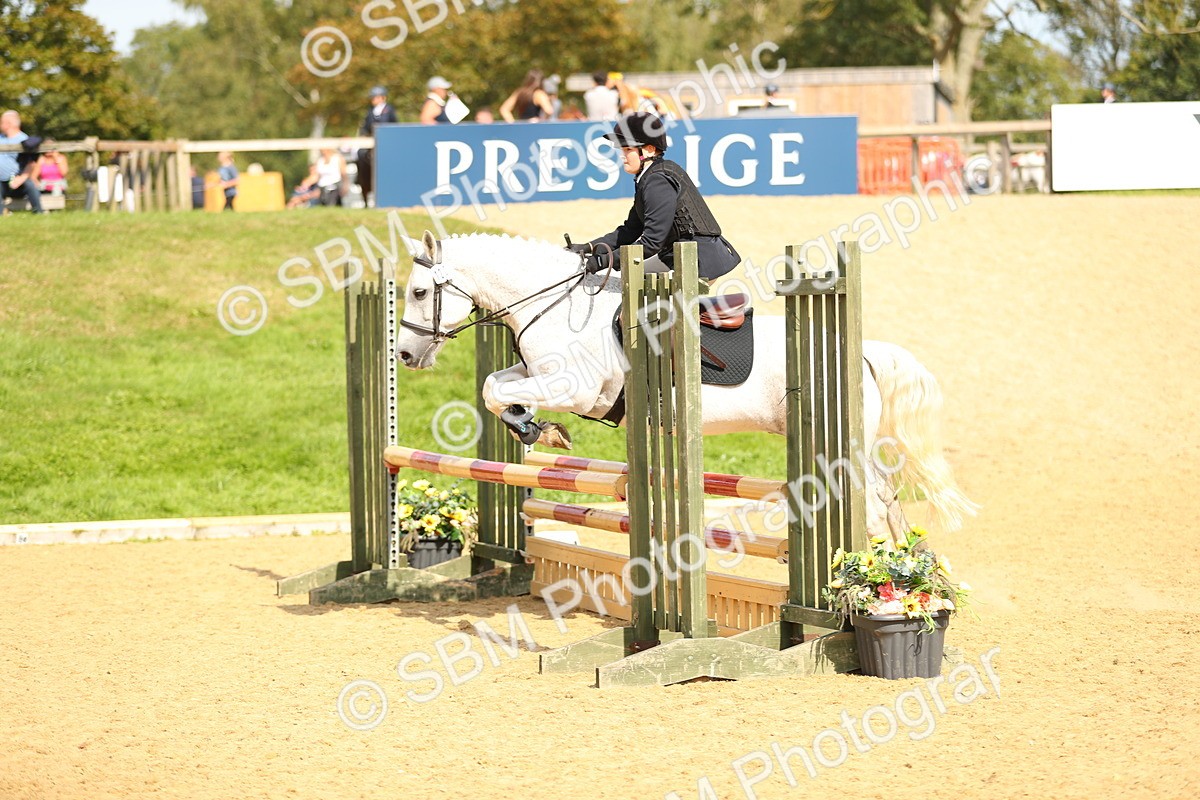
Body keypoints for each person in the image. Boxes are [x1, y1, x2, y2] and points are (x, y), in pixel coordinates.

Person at [572, 113, 740, 281]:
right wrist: (589, 248)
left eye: (628, 149)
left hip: (698, 261)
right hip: (675, 254)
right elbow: (629, 231)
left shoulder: (657, 181)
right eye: (622, 150)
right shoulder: (648, 176)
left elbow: (652, 242)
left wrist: (603, 261)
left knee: (637, 284)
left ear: (650, 150)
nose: (623, 155)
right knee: (628, 276)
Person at [358, 85, 397, 202]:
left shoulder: (389, 110)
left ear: (382, 98)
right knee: (361, 156)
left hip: (386, 145)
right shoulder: (370, 112)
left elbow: (394, 126)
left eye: (375, 97)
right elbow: (365, 128)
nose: (373, 100)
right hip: (372, 145)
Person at [0, 110, 44, 214]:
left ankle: (38, 212)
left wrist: (21, 178)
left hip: (17, 181)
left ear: (8, 124)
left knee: (30, 185)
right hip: (1, 183)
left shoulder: (25, 140)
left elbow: (31, 163)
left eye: (1, 122)